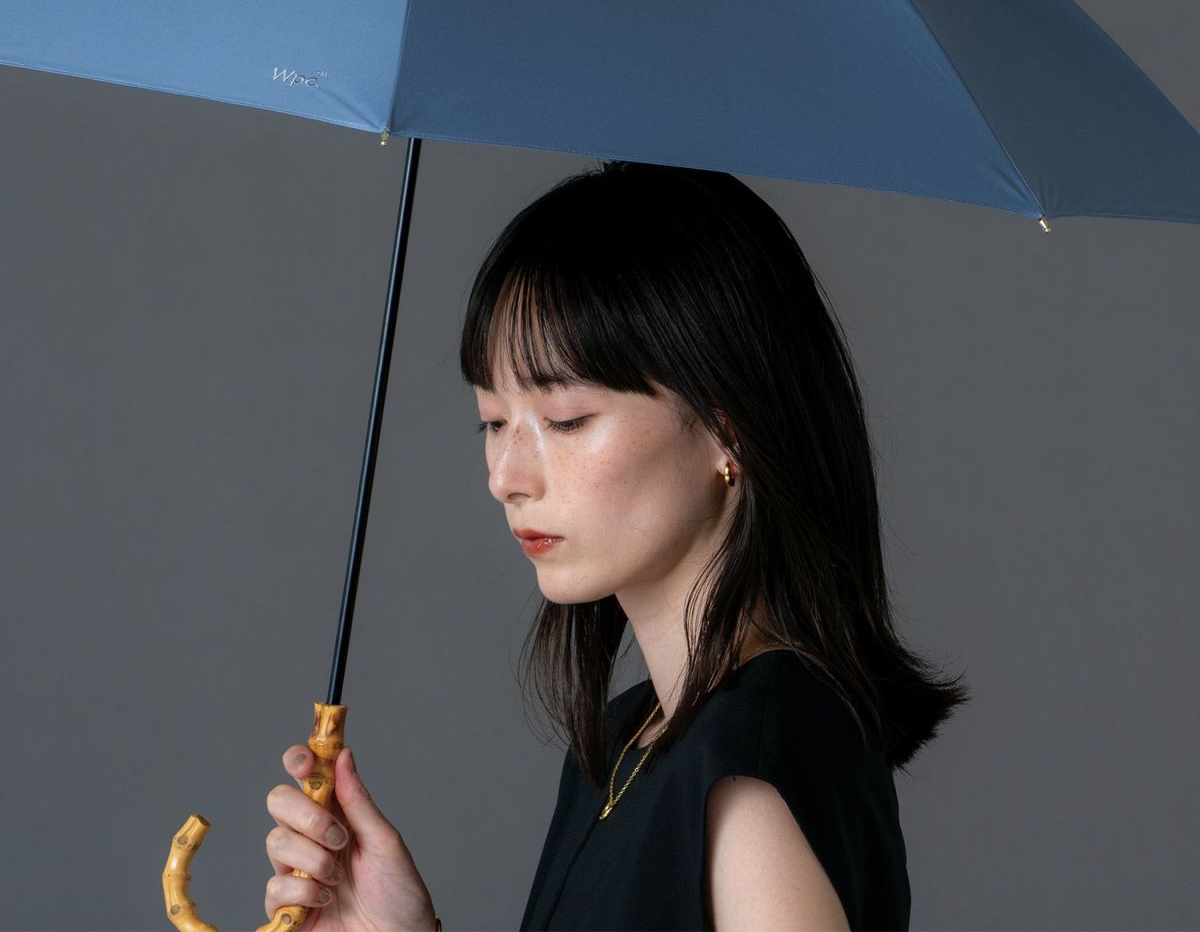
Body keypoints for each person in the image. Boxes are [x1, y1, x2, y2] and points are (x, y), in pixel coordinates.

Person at [261, 159, 969, 930]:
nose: (505, 477)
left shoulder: (749, 774)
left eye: (564, 420)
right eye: (493, 421)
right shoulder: (625, 744)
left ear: (729, 431)